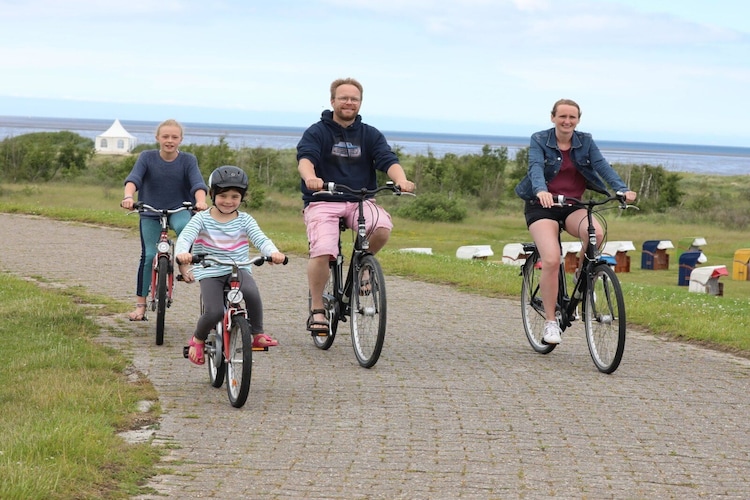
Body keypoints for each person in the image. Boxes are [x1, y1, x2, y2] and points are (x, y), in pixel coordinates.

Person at [297, 77, 415, 335]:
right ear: (333, 101)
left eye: (354, 99)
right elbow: (306, 159)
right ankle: (318, 308)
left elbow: (388, 159)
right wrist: (311, 178)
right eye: (344, 98)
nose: (349, 102)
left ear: (360, 103)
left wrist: (402, 180)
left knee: (381, 227)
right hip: (323, 200)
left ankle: (361, 269)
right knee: (323, 249)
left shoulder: (370, 134)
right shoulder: (317, 131)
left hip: (360, 200)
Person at [514, 99, 637, 345]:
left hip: (572, 205)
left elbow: (602, 166)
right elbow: (535, 167)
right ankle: (551, 322)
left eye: (572, 117)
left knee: (597, 234)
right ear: (553, 118)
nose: (567, 121)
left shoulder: (585, 141)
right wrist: (541, 190)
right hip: (543, 206)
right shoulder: (539, 139)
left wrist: (622, 189)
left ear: (578, 120)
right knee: (551, 258)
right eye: (562, 117)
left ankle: (583, 275)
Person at [175, 165, 286, 365]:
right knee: (214, 311)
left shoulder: (245, 220)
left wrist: (273, 253)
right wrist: (183, 253)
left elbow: (261, 240)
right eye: (223, 195)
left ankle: (257, 334)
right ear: (212, 194)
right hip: (210, 270)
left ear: (242, 198)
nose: (228, 201)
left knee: (251, 293)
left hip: (239, 267)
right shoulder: (201, 219)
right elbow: (185, 238)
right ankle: (198, 338)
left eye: (235, 196)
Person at [121, 119, 208, 321]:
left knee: (186, 226)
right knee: (149, 254)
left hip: (179, 208)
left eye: (174, 137)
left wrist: (201, 202)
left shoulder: (188, 160)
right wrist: (128, 197)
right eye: (166, 136)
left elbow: (198, 184)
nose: (170, 141)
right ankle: (140, 307)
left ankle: (183, 264)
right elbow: (133, 179)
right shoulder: (147, 158)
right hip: (151, 211)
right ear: (157, 138)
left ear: (181, 139)